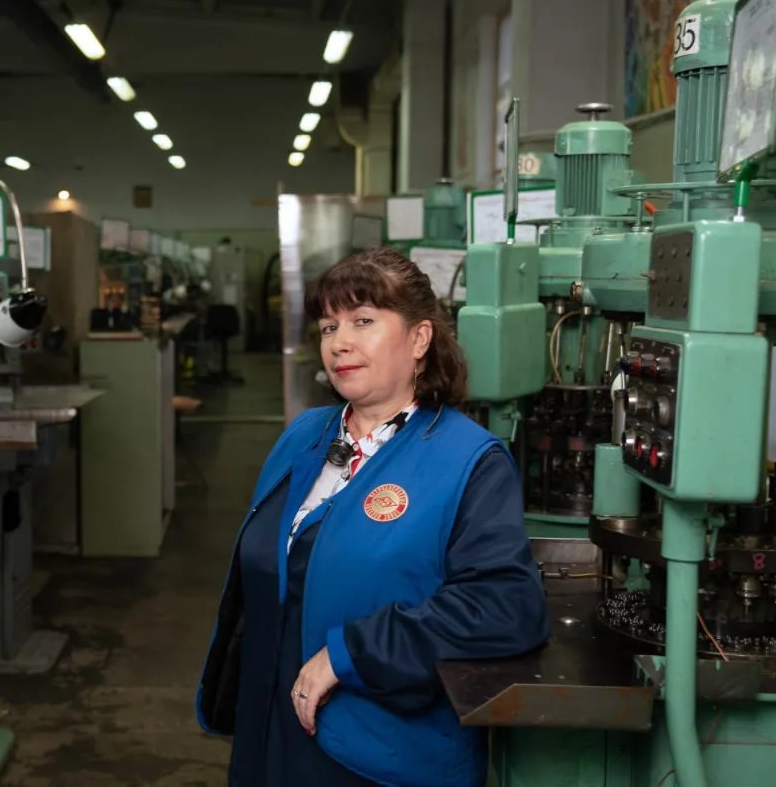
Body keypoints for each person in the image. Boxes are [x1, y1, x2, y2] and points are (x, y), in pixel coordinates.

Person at [197, 247, 550, 787]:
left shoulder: (468, 460)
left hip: (377, 751)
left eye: (363, 321)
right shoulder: (304, 434)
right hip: (270, 732)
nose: (340, 342)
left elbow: (505, 606)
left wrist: (347, 655)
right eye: (328, 326)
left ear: (419, 339)